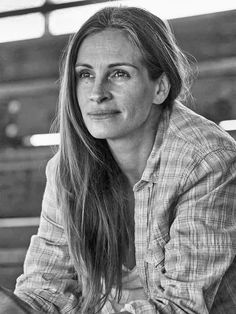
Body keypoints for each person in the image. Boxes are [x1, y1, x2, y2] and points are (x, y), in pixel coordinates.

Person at [4, 5, 236, 314]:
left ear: (160, 87)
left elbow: (183, 308)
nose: (97, 93)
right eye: (85, 74)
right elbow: (45, 289)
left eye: (119, 74)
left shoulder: (206, 160)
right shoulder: (68, 168)